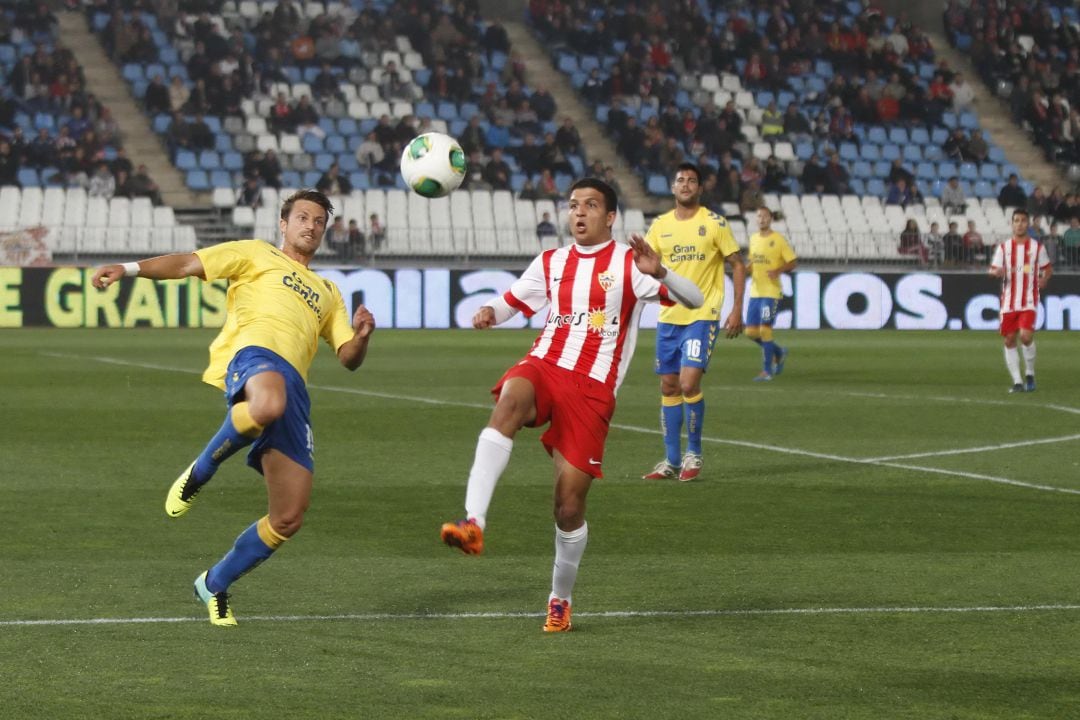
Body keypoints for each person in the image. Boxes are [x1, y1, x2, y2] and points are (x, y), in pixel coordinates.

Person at [90, 190, 376, 626]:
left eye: (319, 221)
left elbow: (347, 358)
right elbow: (187, 263)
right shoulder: (254, 253)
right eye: (303, 217)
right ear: (283, 224)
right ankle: (200, 471)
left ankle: (214, 583)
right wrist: (128, 269)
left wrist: (362, 335)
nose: (311, 226)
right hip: (255, 356)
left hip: (295, 388)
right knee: (267, 401)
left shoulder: (329, 292)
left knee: (288, 516)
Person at [439, 178, 704, 632]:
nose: (578, 213)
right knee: (509, 399)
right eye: (573, 205)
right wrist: (489, 312)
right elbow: (511, 303)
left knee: (567, 508)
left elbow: (695, 300)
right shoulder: (551, 261)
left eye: (591, 205)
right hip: (546, 364)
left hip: (592, 390)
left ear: (611, 216)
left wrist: (660, 273)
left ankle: (560, 599)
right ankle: (473, 522)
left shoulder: (629, 263)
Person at [642, 162, 746, 483]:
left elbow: (737, 265)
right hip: (669, 317)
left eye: (691, 181)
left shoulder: (714, 223)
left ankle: (694, 453)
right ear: (672, 188)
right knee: (669, 386)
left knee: (688, 383)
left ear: (700, 189)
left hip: (702, 316)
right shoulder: (659, 226)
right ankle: (671, 460)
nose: (685, 185)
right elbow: (646, 266)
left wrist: (737, 309)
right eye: (680, 180)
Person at [989, 209, 1052, 394]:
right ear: (1012, 224)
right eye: (1016, 220)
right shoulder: (1004, 248)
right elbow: (992, 271)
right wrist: (996, 273)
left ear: (1028, 224)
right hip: (1008, 302)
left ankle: (1030, 373)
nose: (1020, 224)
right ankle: (1017, 381)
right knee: (1009, 339)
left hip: (1029, 300)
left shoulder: (1037, 247)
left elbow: (1047, 269)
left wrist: (1044, 279)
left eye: (1023, 221)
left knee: (1025, 336)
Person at [745, 207, 797, 381]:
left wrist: (778, 270)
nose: (761, 219)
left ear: (770, 219)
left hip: (771, 292)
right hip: (755, 291)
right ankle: (778, 351)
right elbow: (752, 262)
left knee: (765, 329)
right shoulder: (753, 239)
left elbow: (793, 261)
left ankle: (767, 371)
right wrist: (746, 269)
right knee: (751, 332)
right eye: (759, 216)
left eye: (765, 216)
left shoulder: (778, 240)